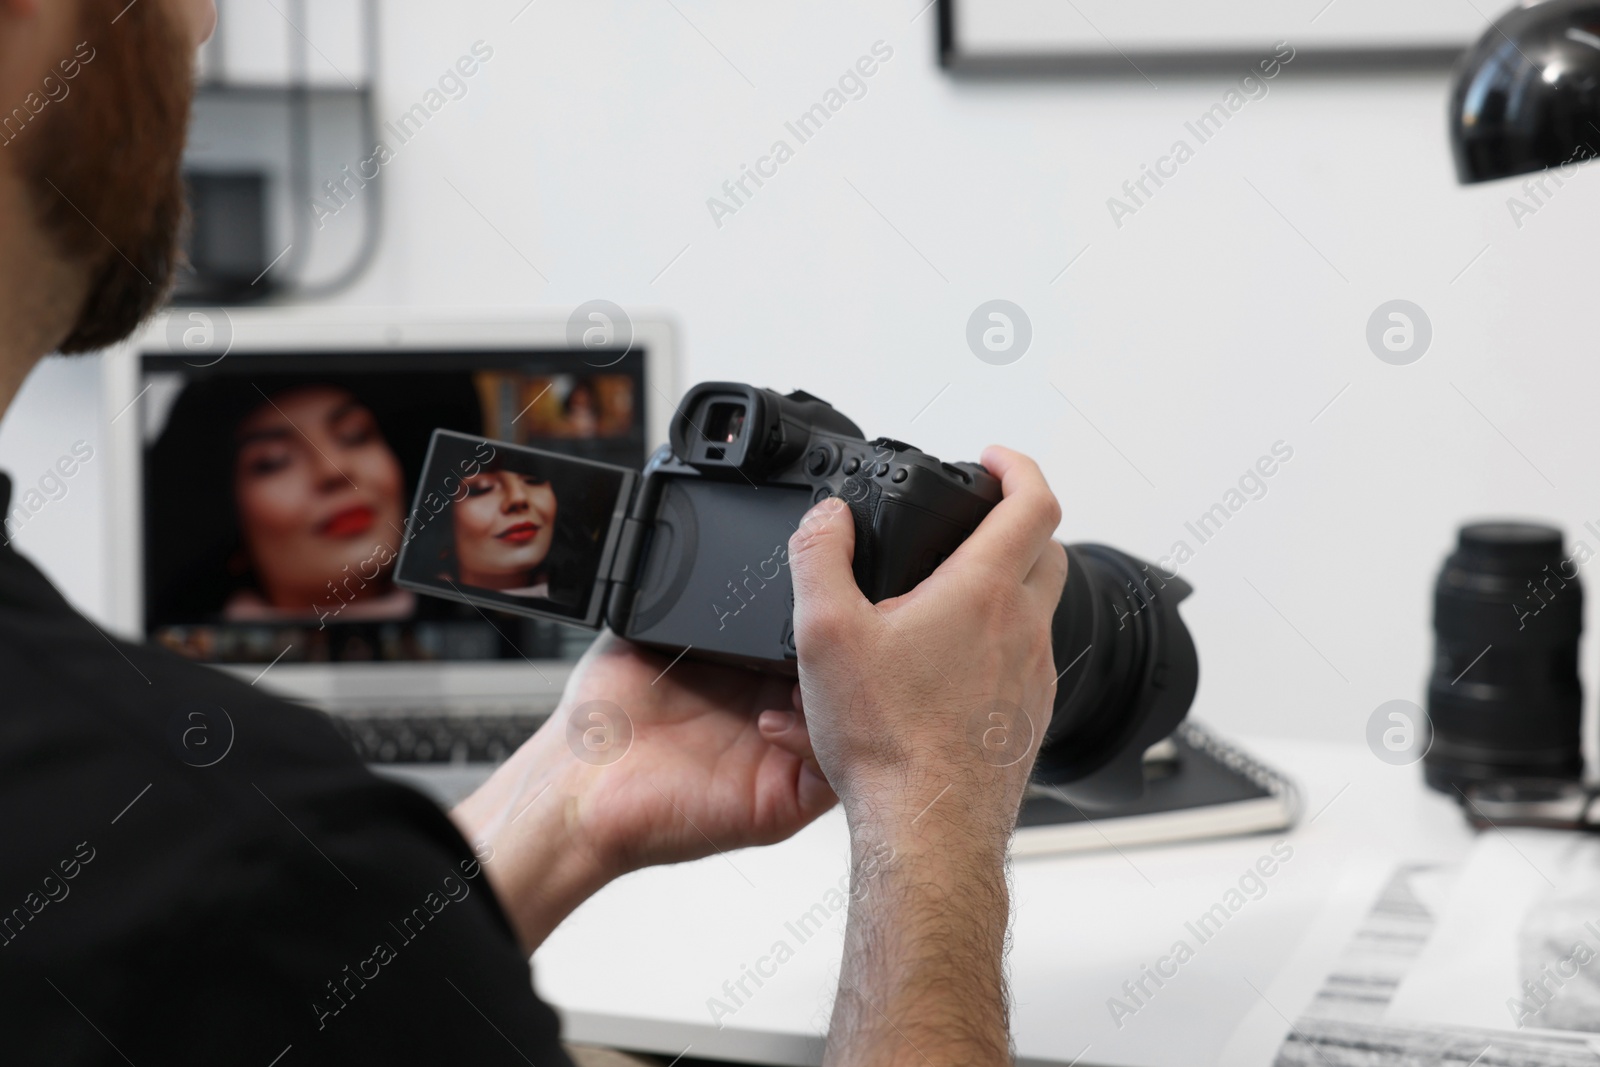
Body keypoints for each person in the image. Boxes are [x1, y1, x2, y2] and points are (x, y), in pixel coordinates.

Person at [0, 4, 1069, 1067]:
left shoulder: (212, 870)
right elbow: (271, 924)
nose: (202, 22)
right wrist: (929, 813)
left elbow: (296, 996)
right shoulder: (234, 851)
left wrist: (568, 797)